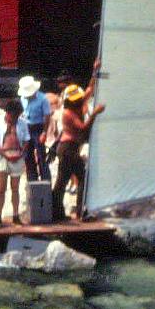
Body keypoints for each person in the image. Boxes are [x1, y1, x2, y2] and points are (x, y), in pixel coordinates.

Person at [52, 85, 105, 221]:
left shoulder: (76, 105)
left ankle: (58, 213)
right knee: (81, 178)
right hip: (68, 148)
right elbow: (83, 128)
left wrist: (95, 72)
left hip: (70, 148)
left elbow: (89, 90)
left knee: (62, 182)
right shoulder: (67, 112)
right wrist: (94, 113)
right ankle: (80, 212)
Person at [0, 100, 30, 226]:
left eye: (17, 115)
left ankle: (15, 215)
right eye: (13, 115)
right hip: (2, 157)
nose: (15, 118)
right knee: (1, 189)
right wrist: (4, 154)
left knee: (15, 188)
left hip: (17, 156)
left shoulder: (22, 123)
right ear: (7, 113)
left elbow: (27, 139)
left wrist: (22, 152)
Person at [18, 75, 52, 182]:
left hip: (38, 128)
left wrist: (44, 133)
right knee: (28, 155)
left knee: (41, 155)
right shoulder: (22, 98)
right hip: (26, 128)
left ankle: (45, 180)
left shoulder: (43, 99)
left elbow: (47, 116)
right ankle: (32, 180)